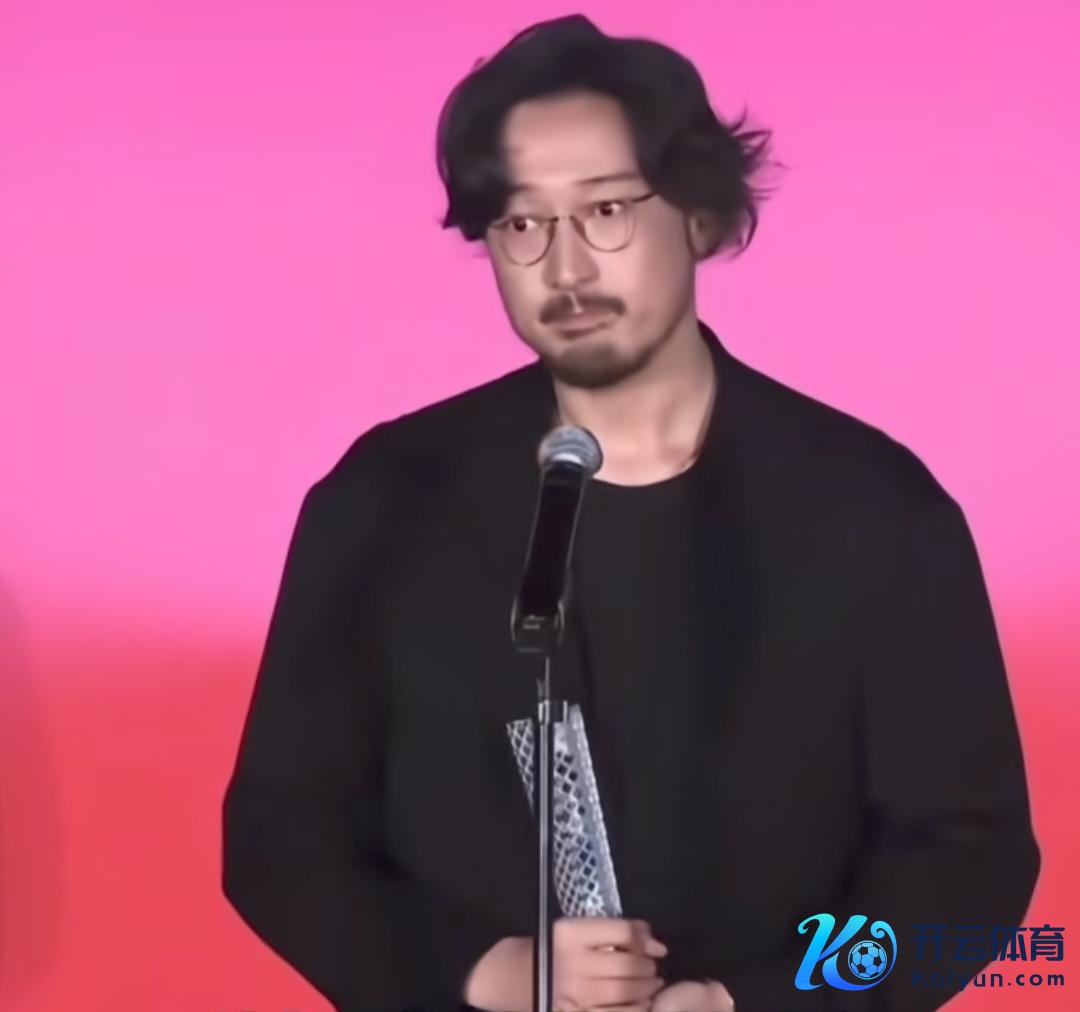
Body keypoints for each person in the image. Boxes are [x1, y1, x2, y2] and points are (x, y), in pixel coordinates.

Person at [221, 14, 1039, 1012]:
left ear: (698, 215)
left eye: (606, 210)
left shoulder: (872, 510)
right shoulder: (387, 499)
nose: (565, 270)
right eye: (522, 224)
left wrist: (759, 1001)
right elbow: (281, 835)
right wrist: (483, 972)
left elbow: (967, 864)